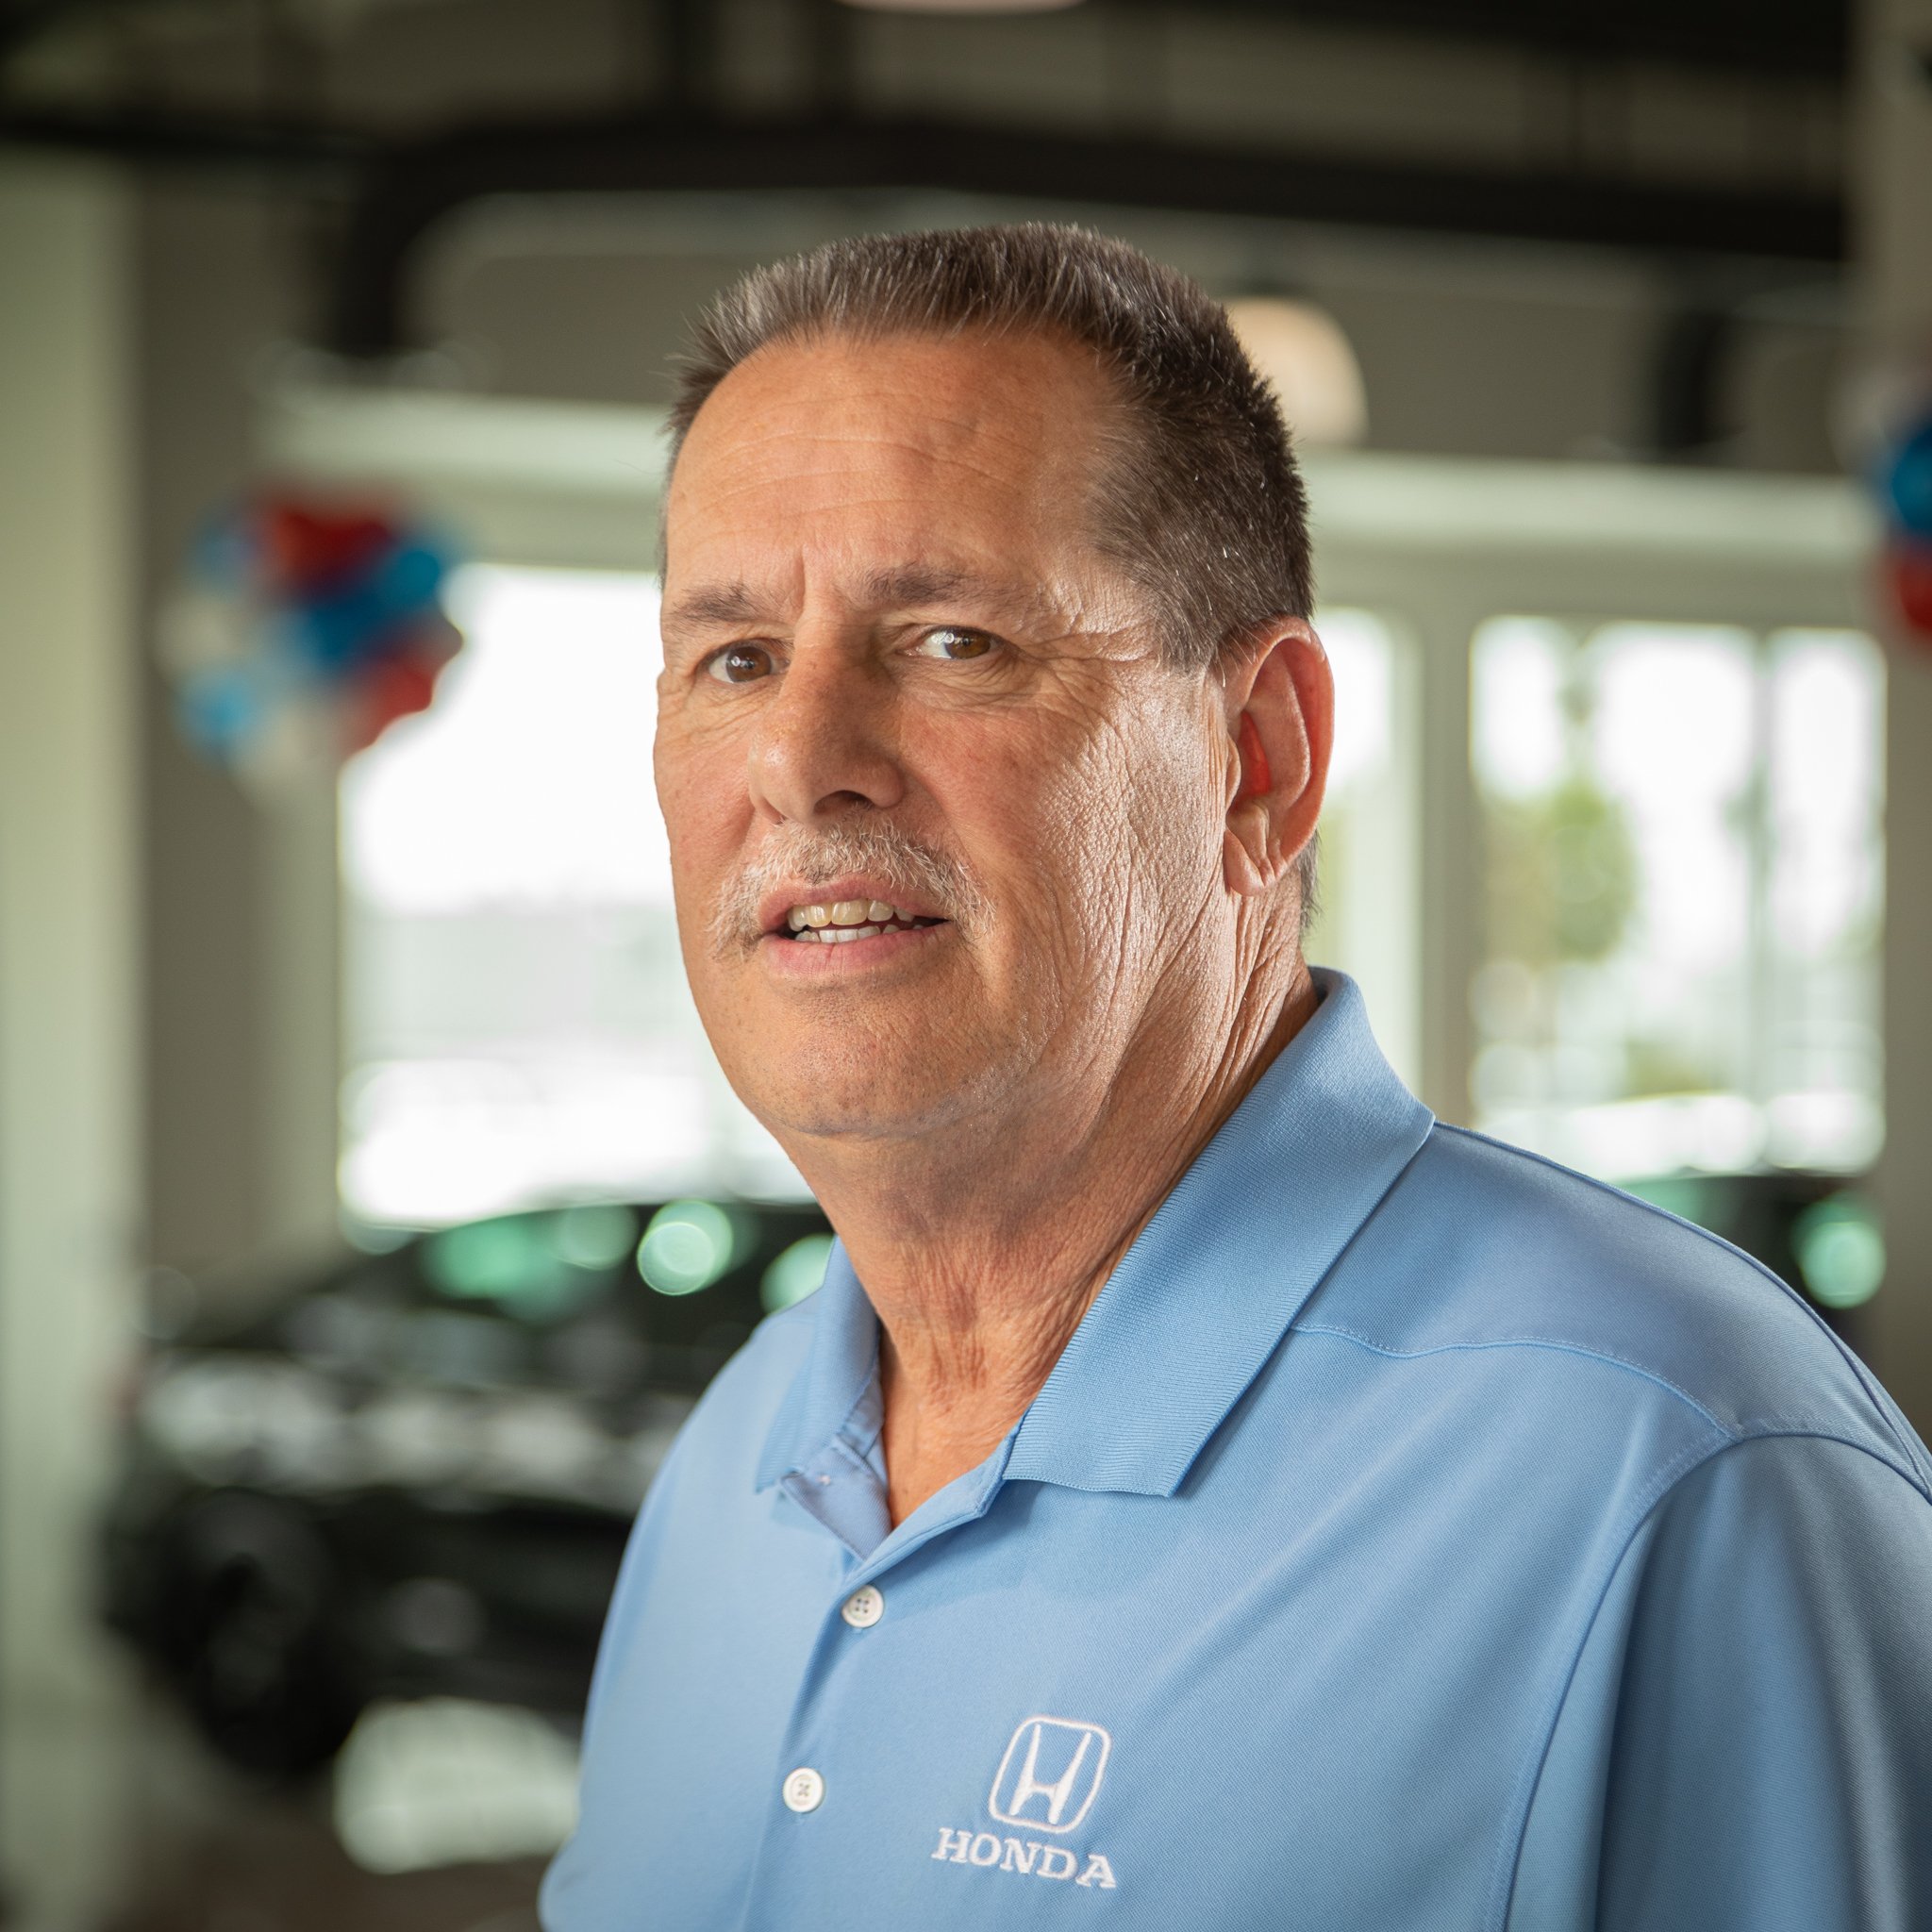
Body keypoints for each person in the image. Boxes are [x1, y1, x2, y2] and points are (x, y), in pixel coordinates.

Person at [541, 224, 1932, 1931]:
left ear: (1256, 759)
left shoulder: (1666, 1475)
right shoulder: (743, 1453)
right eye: (735, 657)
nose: (800, 759)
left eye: (956, 638)